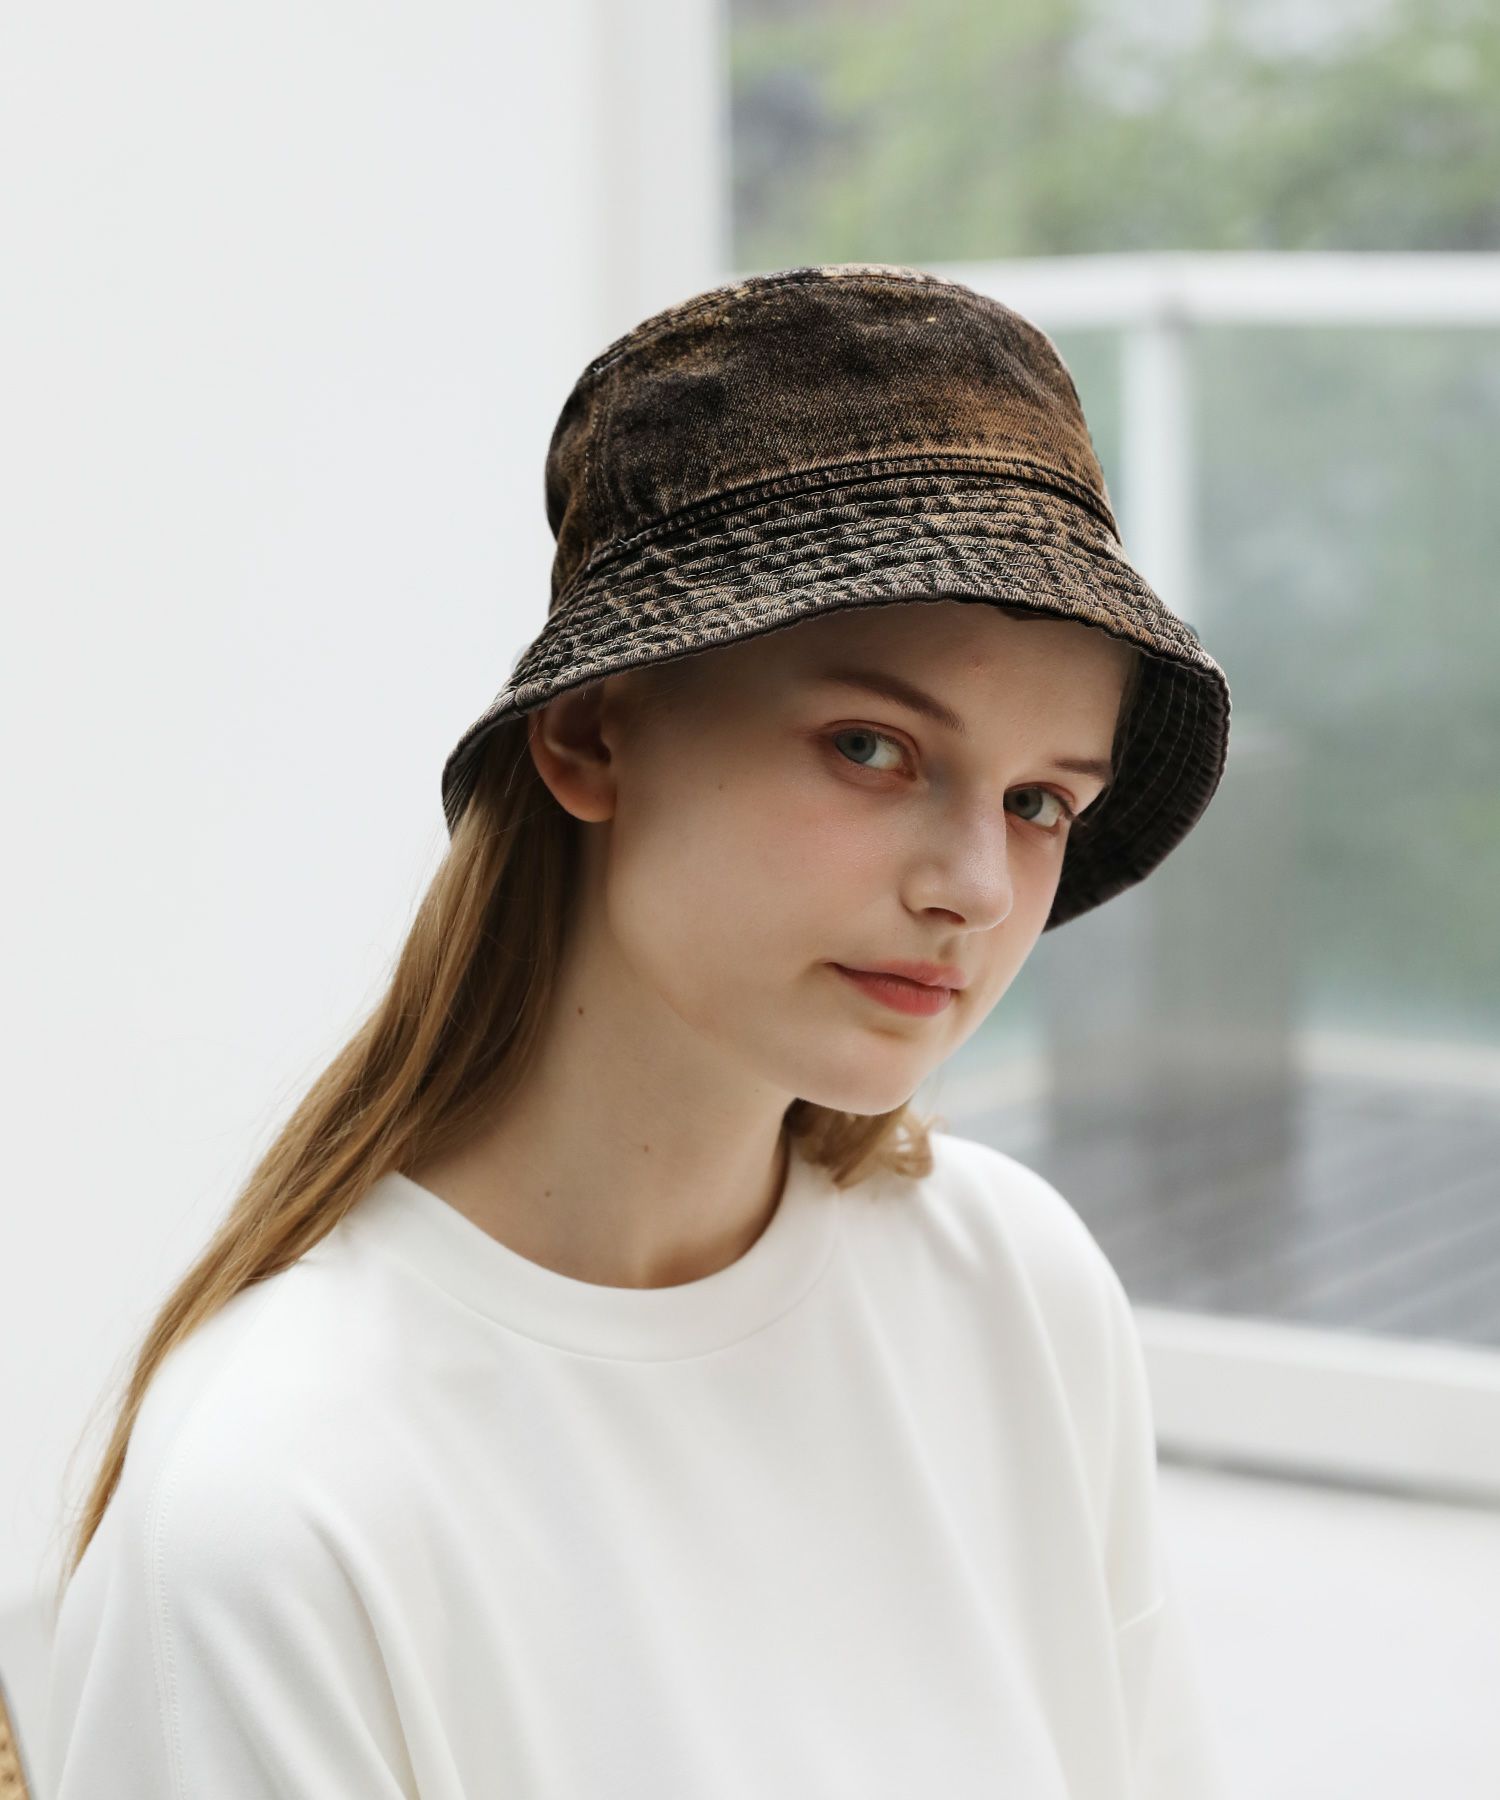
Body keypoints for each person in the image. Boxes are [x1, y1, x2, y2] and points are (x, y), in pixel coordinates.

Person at [42, 263, 1232, 1798]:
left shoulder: (1014, 1286)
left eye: (1039, 801)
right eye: (871, 747)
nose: (975, 885)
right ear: (592, 732)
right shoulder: (282, 1499)